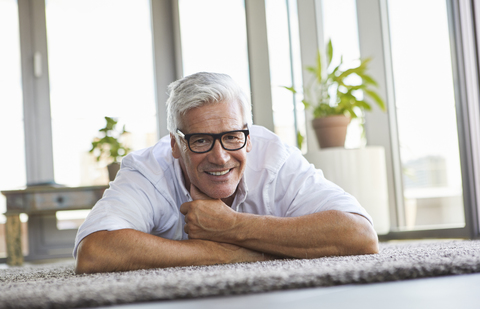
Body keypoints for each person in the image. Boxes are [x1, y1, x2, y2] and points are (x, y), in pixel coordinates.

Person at [74, 72, 378, 274]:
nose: (220, 157)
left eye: (232, 136)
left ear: (248, 135)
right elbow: (96, 251)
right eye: (201, 140)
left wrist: (232, 226)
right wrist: (235, 253)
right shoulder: (146, 171)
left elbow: (360, 235)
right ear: (176, 145)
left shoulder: (274, 157)